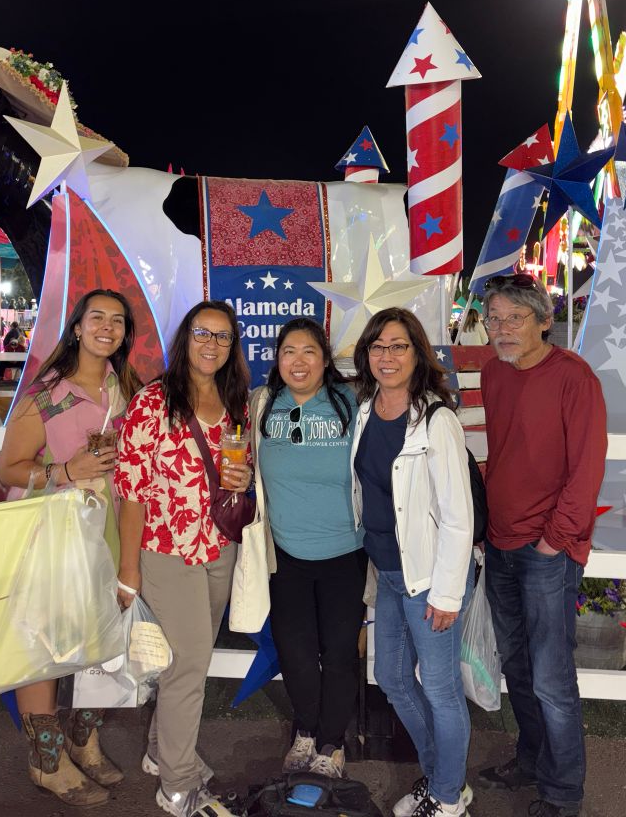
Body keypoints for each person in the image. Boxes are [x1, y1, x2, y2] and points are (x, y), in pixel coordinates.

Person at [0, 288, 142, 807]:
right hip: (56, 533)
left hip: (111, 530)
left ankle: (85, 742)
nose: (108, 327)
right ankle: (47, 759)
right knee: (47, 645)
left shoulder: (128, 389)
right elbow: (8, 468)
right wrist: (65, 471)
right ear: (77, 328)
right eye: (96, 317)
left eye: (118, 321)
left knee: (102, 639)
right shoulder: (46, 394)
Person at [115, 300, 253, 817]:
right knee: (190, 663)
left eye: (222, 336)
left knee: (190, 659)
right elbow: (130, 491)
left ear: (231, 346)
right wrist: (129, 568)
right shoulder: (153, 403)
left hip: (219, 545)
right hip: (166, 550)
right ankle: (177, 783)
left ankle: (158, 750)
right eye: (203, 333)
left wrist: (242, 479)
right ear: (185, 339)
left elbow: (236, 470)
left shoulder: (236, 400)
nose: (211, 344)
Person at [477, 274, 607, 817]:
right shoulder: (493, 373)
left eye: (514, 317)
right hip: (501, 543)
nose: (502, 329)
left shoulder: (574, 378)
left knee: (553, 679)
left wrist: (555, 541)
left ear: (543, 320)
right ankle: (531, 759)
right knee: (518, 668)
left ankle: (563, 793)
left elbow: (586, 470)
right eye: (493, 319)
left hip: (546, 551)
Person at [352, 308, 475, 817]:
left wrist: (447, 594)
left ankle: (447, 798)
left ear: (417, 353)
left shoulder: (436, 420)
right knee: (395, 680)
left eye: (398, 345)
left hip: (429, 579)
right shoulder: (365, 410)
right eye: (378, 346)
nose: (387, 355)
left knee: (441, 690)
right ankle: (445, 778)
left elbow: (457, 516)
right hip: (388, 571)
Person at [253, 317, 365, 778]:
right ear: (277, 360)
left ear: (325, 360)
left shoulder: (352, 403)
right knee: (295, 650)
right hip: (285, 553)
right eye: (288, 352)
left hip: (346, 551)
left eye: (309, 352)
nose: (298, 362)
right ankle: (306, 730)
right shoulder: (262, 404)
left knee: (339, 650)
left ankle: (331, 743)